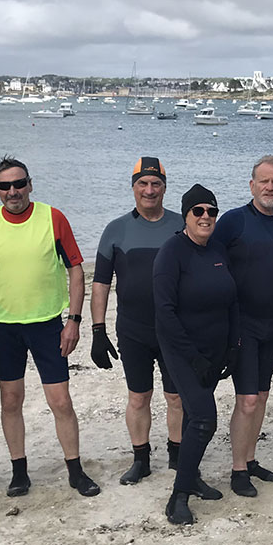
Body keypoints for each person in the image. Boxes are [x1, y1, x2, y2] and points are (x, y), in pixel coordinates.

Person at [0, 157, 100, 498]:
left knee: (60, 401)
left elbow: (76, 270)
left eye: (18, 183)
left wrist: (73, 319)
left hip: (47, 324)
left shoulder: (52, 218)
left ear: (30, 184)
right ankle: (19, 472)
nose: (12, 191)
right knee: (11, 401)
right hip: (1, 326)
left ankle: (75, 470)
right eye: (4, 186)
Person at [91, 157, 184, 485]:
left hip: (175, 330)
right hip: (133, 330)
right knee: (138, 397)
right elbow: (100, 283)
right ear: (133, 188)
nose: (149, 190)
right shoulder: (116, 229)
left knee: (176, 397)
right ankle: (141, 458)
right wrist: (97, 330)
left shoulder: (181, 225)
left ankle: (176, 455)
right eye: (143, 184)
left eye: (156, 184)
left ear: (164, 188)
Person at [213, 155, 273, 497]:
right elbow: (209, 262)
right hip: (240, 324)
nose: (270, 187)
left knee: (262, 396)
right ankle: (237, 469)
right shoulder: (233, 222)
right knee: (247, 399)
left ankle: (250, 460)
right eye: (263, 181)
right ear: (251, 185)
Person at [153, 184, 239, 524]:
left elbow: (232, 300)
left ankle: (193, 478)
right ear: (186, 215)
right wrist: (193, 357)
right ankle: (178, 496)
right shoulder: (172, 252)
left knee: (192, 417)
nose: (206, 217)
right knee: (204, 419)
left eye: (211, 211)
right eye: (198, 211)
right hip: (181, 351)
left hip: (215, 349)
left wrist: (233, 347)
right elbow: (164, 312)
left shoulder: (217, 251)